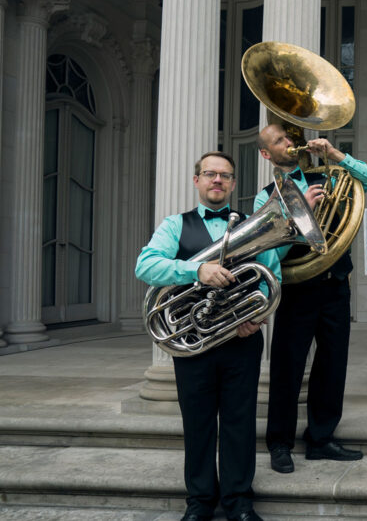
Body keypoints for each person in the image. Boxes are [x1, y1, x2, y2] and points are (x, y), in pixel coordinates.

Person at [136, 151, 278, 521]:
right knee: (197, 424)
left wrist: (256, 315)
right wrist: (197, 271)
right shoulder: (174, 225)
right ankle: (199, 502)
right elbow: (146, 265)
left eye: (225, 176)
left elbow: (271, 275)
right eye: (210, 174)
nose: (217, 181)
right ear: (196, 180)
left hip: (242, 339)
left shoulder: (256, 224)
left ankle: (239, 502)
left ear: (233, 184)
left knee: (240, 421)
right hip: (192, 345)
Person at [256, 124, 367, 474]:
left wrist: (336, 154)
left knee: (332, 365)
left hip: (334, 284)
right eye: (279, 141)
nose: (289, 143)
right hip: (297, 289)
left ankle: (321, 438)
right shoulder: (266, 195)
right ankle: (280, 443)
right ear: (267, 154)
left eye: (288, 137)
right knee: (287, 368)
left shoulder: (326, 175)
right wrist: (298, 217)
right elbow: (265, 252)